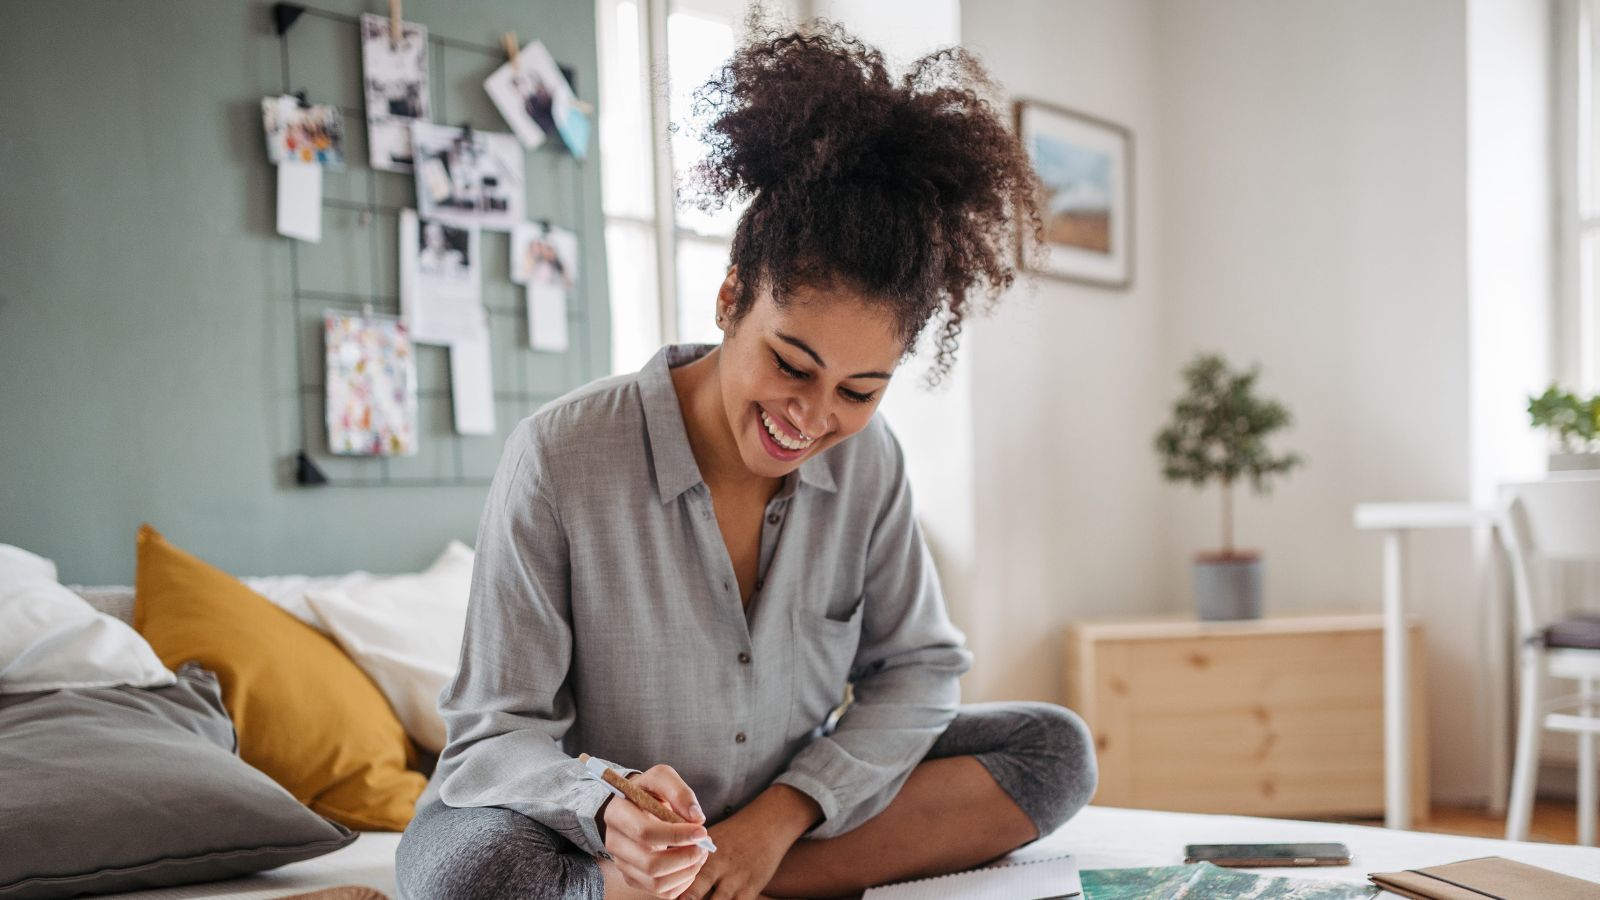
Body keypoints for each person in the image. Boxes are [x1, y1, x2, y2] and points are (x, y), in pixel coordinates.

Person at [396, 21, 1097, 900]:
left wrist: (779, 819)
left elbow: (919, 670)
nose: (811, 418)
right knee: (475, 874)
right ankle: (662, 883)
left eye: (859, 389)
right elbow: (496, 730)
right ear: (732, 296)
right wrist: (605, 807)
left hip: (776, 816)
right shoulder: (561, 455)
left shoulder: (870, 462)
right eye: (792, 365)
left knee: (1052, 750)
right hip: (596, 836)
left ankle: (737, 881)